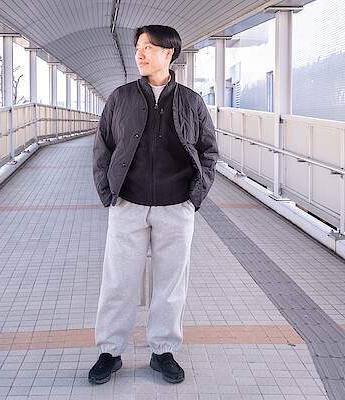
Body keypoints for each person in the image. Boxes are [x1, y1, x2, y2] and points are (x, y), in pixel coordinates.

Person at [90, 25, 218, 385]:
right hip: (128, 204)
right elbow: (102, 148)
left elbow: (209, 151)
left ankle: (163, 351)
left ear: (169, 53)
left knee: (171, 283)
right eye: (138, 47)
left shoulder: (191, 101)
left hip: (176, 206)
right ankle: (110, 351)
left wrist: (194, 197)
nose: (140, 54)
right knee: (118, 281)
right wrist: (109, 195)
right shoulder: (121, 97)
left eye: (148, 47)